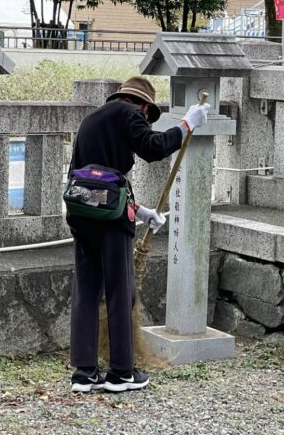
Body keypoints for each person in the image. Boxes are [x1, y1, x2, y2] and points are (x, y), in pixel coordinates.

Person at [67, 76, 210, 393]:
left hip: (81, 211)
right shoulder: (130, 114)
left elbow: (96, 176)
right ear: (143, 106)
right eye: (147, 116)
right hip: (110, 220)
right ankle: (121, 372)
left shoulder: (91, 120)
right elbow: (153, 148)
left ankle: (84, 372)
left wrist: (140, 210)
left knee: (87, 290)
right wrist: (187, 124)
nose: (144, 121)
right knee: (121, 289)